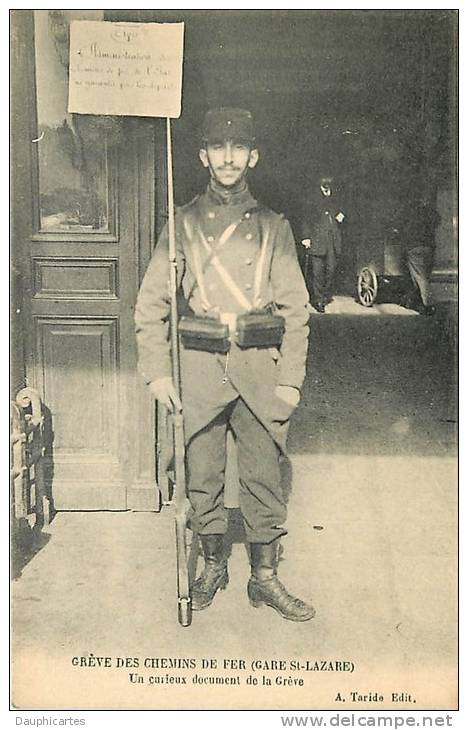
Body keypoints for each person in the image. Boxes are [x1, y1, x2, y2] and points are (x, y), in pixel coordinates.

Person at [135, 108, 315, 621]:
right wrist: (158, 372)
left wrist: (291, 382)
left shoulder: (275, 227)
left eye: (239, 148)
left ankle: (265, 578)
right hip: (200, 365)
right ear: (203, 156)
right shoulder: (182, 223)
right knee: (203, 472)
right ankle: (214, 565)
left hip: (259, 365)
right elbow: (152, 304)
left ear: (253, 156)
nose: (229, 157)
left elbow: (295, 310)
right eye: (218, 147)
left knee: (264, 473)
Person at [300, 175, 345, 313]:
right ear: (320, 184)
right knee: (317, 272)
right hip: (317, 239)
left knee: (331, 270)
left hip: (332, 240)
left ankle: (324, 295)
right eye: (325, 184)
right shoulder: (311, 197)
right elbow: (305, 218)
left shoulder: (335, 196)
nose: (327, 186)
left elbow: (340, 212)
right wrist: (306, 237)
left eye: (329, 184)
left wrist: (341, 215)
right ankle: (318, 300)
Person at [400, 197, 439, 316]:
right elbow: (438, 220)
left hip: (414, 247)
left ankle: (428, 305)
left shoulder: (408, 213)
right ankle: (411, 301)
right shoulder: (428, 212)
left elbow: (401, 227)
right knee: (422, 275)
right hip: (429, 246)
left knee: (420, 277)